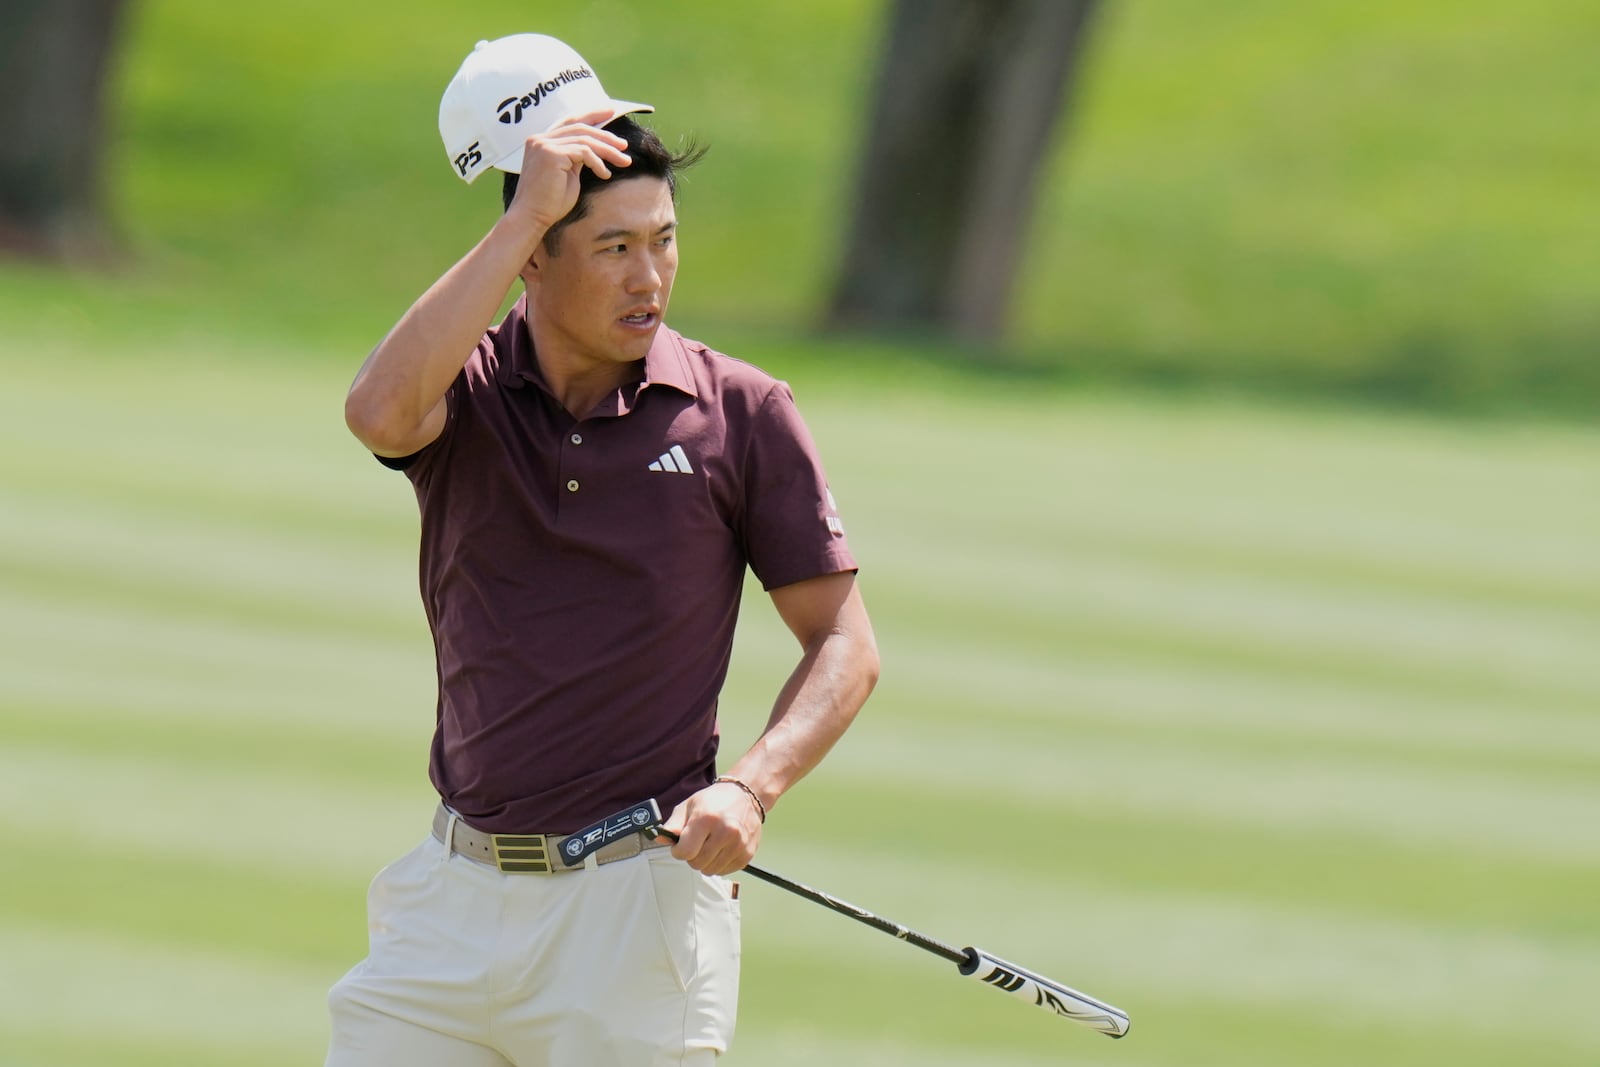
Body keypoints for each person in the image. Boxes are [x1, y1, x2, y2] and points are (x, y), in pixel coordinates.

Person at [326, 32, 879, 1067]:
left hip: (637, 920)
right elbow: (377, 411)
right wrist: (527, 214)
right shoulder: (469, 388)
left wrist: (749, 787)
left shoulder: (740, 411)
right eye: (613, 247)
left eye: (663, 240)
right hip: (448, 904)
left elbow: (843, 642)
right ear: (532, 257)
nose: (650, 277)